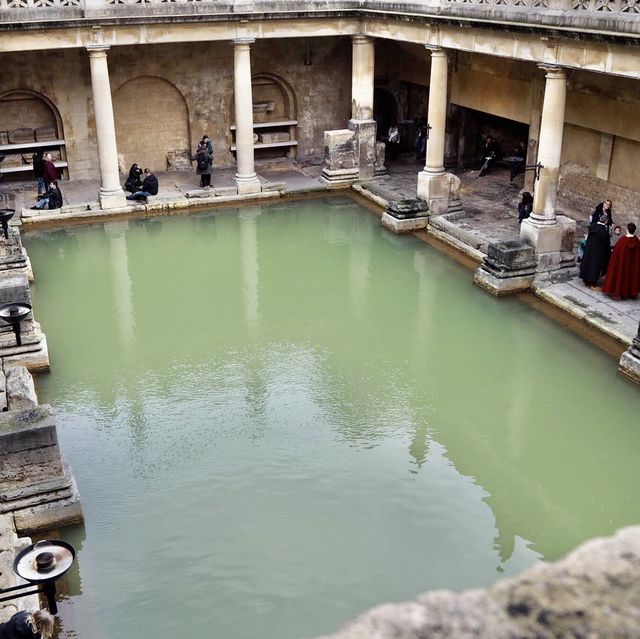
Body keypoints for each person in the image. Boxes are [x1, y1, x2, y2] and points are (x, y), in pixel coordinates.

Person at [602, 222, 640, 300]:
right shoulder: (637, 241)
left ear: (627, 230)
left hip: (622, 264)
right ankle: (630, 292)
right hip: (632, 266)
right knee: (630, 277)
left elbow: (616, 254)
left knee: (621, 276)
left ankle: (619, 291)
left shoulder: (622, 240)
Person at [580, 213, 611, 289]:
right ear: (606, 221)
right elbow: (607, 244)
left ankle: (586, 281)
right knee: (595, 267)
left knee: (588, 264)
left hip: (589, 250)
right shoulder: (604, 232)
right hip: (598, 253)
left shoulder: (592, 227)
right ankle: (593, 283)